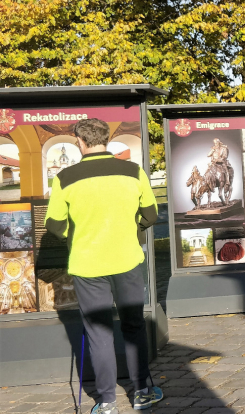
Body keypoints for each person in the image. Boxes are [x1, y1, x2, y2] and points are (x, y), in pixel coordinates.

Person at [45, 119, 162, 414]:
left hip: (87, 263)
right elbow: (150, 214)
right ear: (106, 140)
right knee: (134, 325)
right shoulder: (134, 171)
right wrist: (131, 229)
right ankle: (143, 392)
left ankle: (107, 401)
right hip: (126, 259)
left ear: (80, 142)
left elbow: (55, 226)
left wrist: (78, 233)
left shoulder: (65, 178)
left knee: (98, 332)